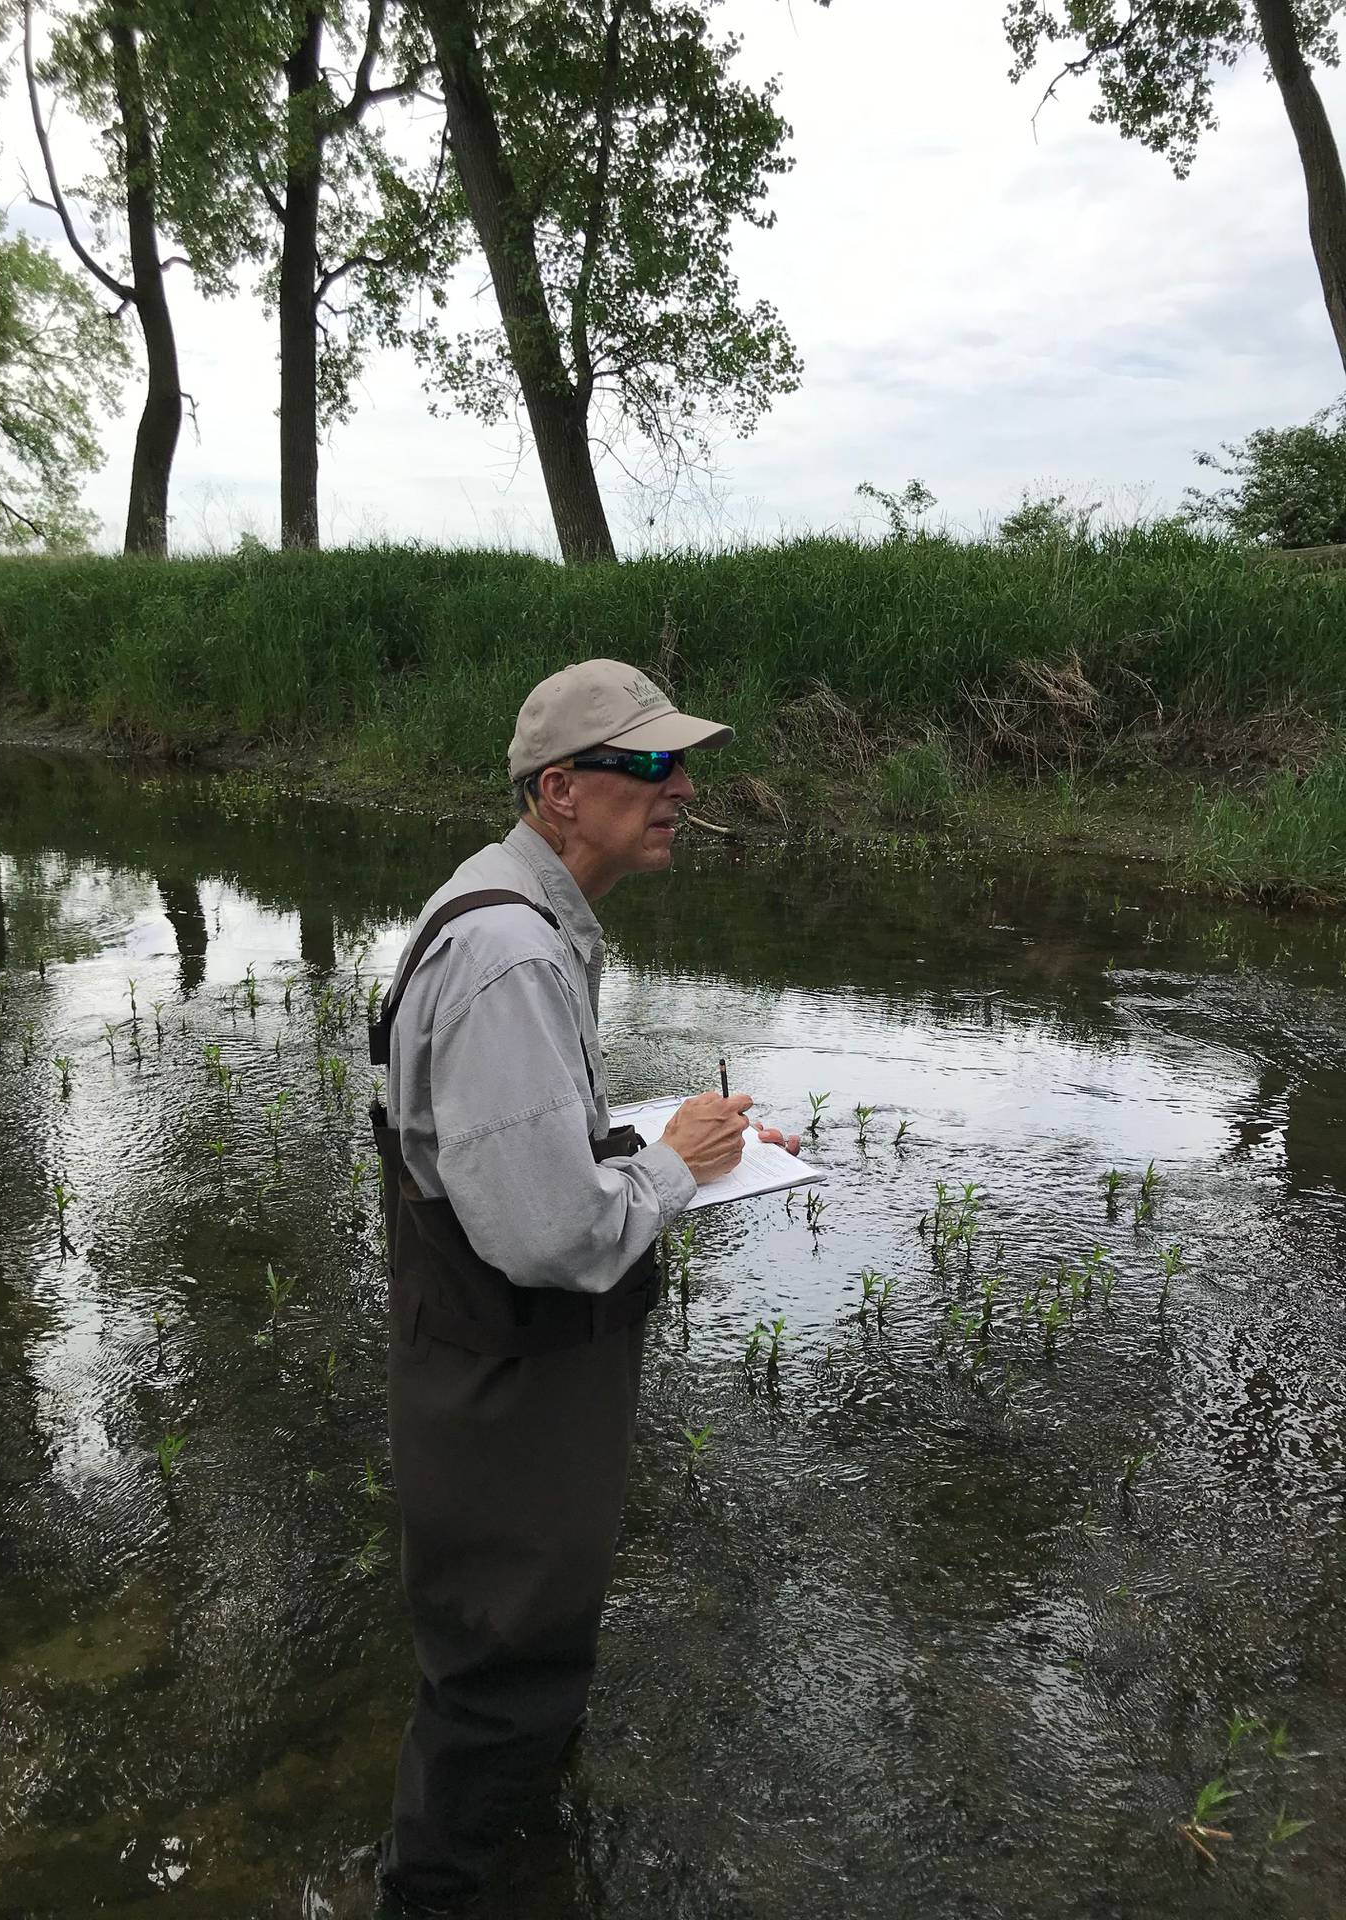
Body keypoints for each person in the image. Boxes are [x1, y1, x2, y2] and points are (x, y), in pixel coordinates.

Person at [365, 659, 798, 1914]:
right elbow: (553, 1233)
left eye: (681, 765)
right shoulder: (511, 955)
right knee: (502, 1663)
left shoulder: (504, 908)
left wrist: (652, 1142)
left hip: (490, 1363)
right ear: (562, 791)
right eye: (651, 766)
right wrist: (668, 1171)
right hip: (508, 1383)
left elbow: (508, 1152)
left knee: (518, 1641)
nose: (682, 790)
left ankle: (518, 1858)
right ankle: (434, 1893)